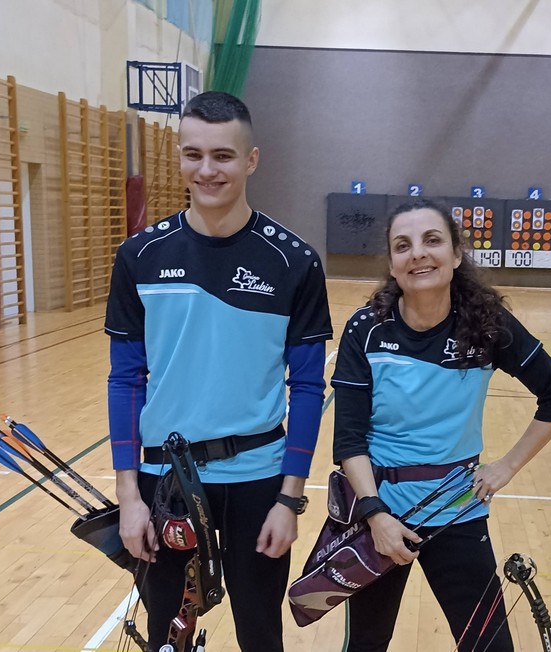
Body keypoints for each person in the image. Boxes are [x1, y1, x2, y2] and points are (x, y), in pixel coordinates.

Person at [104, 91, 332, 652]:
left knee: (261, 636)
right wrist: (129, 494)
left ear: (251, 160)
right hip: (165, 480)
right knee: (167, 637)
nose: (207, 170)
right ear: (180, 157)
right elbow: (126, 380)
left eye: (223, 155)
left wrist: (290, 498)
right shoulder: (139, 257)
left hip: (258, 482)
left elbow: (307, 387)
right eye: (194, 154)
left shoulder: (294, 261)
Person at [331, 199, 551, 651]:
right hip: (381, 514)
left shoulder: (486, 324)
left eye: (432, 240)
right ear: (392, 263)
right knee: (366, 644)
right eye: (403, 245)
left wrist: (506, 467)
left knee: (490, 646)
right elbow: (349, 439)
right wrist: (374, 513)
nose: (418, 254)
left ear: (456, 253)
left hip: (456, 509)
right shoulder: (366, 328)